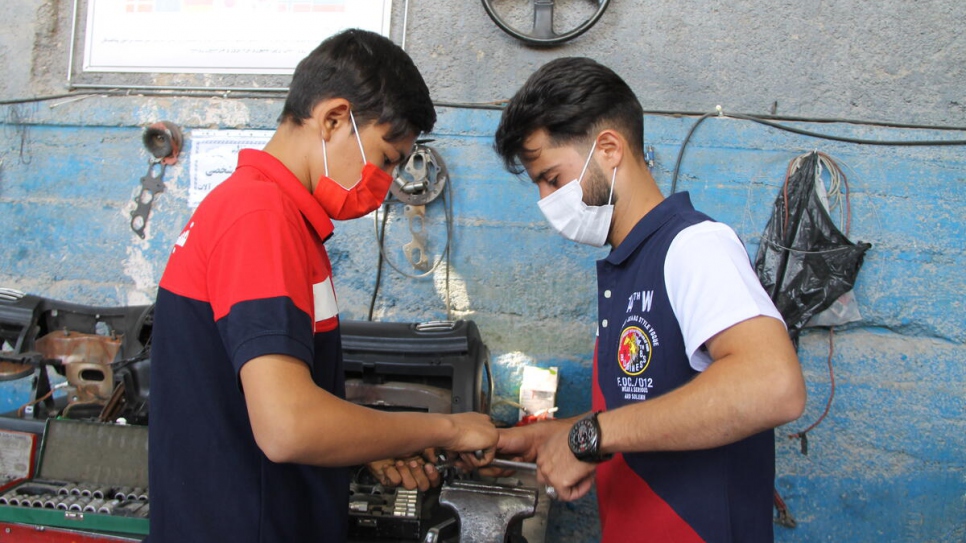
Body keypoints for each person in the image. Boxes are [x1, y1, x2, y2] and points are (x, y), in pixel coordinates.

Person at [148, 29, 498, 543]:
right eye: (385, 159)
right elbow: (289, 426)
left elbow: (265, 403)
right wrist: (449, 428)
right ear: (334, 120)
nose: (386, 185)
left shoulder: (252, 207)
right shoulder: (261, 218)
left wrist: (369, 443)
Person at [491, 57, 806, 542]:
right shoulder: (630, 263)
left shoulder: (693, 246)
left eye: (553, 179)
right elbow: (649, 408)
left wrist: (588, 438)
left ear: (609, 148)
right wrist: (539, 438)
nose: (546, 200)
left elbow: (773, 384)